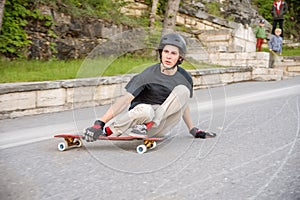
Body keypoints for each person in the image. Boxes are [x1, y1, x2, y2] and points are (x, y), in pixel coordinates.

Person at [83, 33, 216, 142]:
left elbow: (183, 104)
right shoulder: (147, 74)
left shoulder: (185, 78)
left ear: (180, 57)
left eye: (173, 53)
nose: (168, 56)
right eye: (166, 52)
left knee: (183, 90)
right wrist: (99, 123)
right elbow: (124, 100)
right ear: (161, 53)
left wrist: (192, 129)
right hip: (139, 121)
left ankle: (148, 126)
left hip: (159, 126)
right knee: (147, 111)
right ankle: (109, 130)